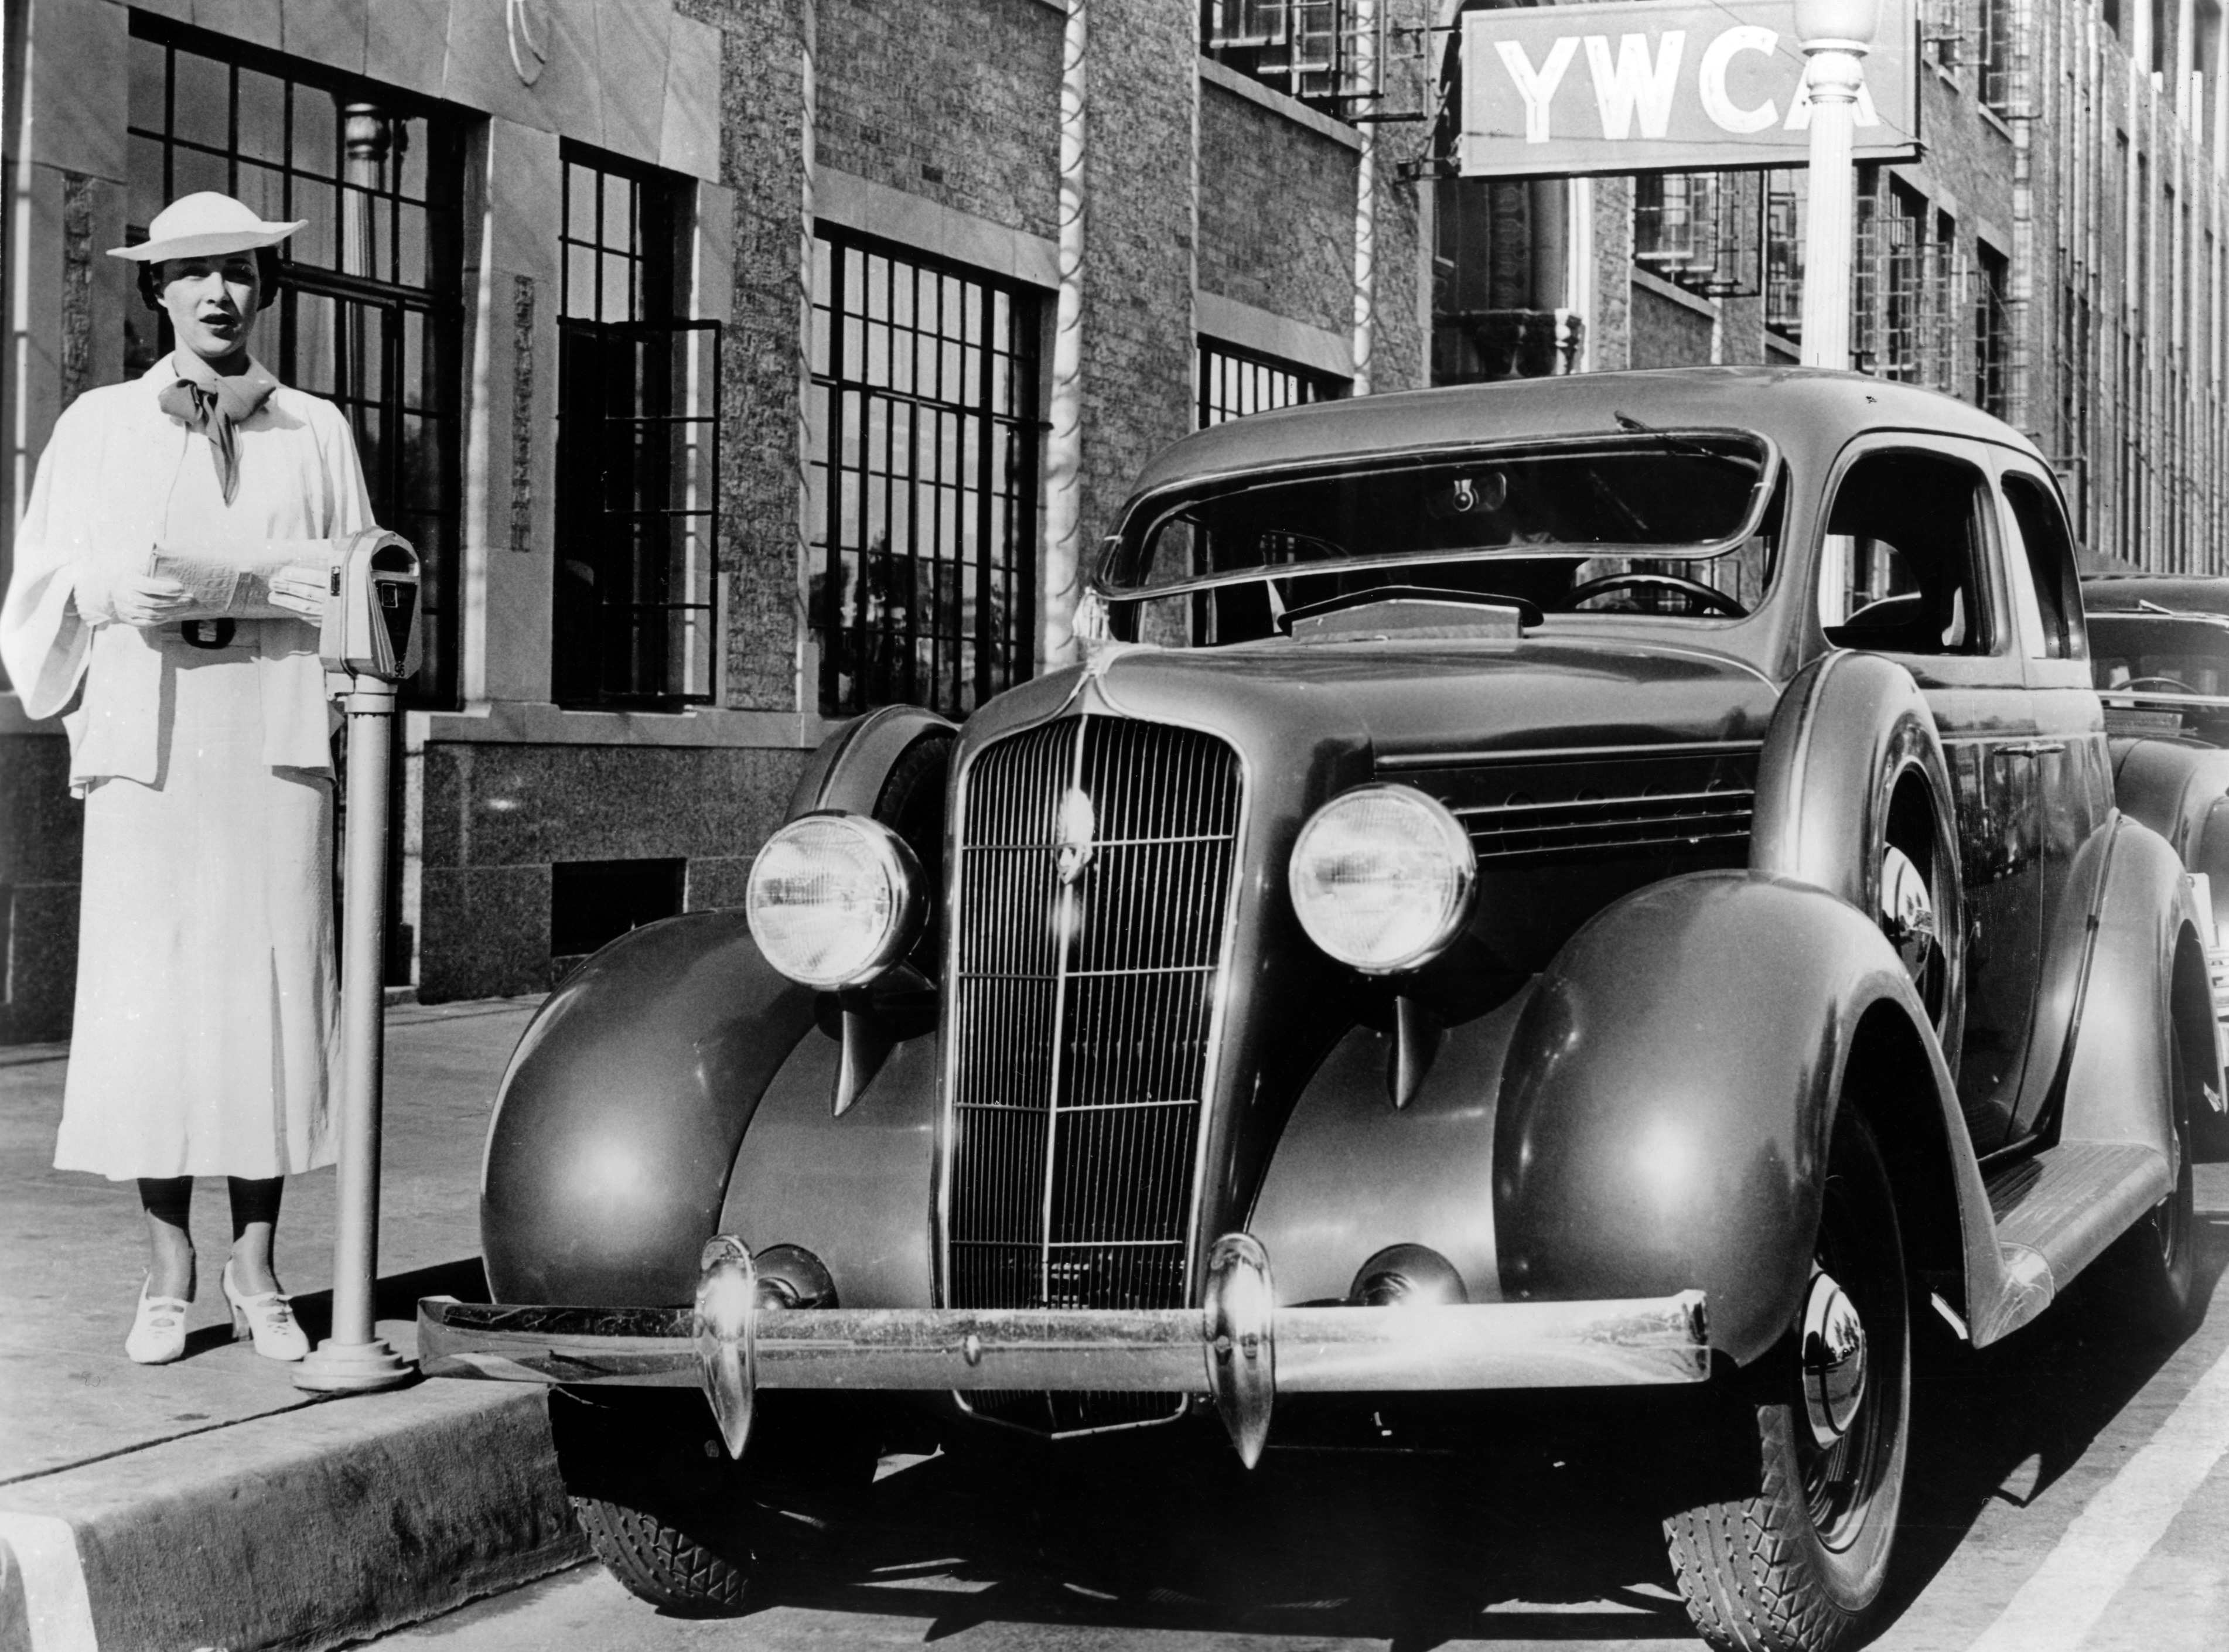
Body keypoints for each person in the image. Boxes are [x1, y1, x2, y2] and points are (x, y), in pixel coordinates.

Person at [0, 193, 377, 1364]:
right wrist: (110, 595)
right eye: (195, 274)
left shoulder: (313, 430)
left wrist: (311, 587)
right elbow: (39, 584)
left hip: (266, 748)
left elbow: (365, 579)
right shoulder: (100, 428)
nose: (219, 293)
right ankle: (168, 1270)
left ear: (265, 290)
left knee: (266, 998)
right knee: (153, 1004)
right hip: (151, 753)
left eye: (240, 273)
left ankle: (258, 1265)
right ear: (156, 292)